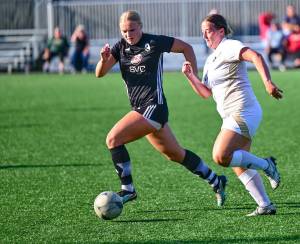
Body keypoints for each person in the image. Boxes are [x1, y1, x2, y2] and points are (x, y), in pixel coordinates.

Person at [95, 10, 227, 207]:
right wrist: (104, 59)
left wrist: (193, 74)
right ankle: (216, 180)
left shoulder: (154, 42)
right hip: (140, 109)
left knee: (113, 139)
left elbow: (186, 47)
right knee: (175, 154)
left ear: (140, 27)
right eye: (124, 31)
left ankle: (128, 190)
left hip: (153, 107)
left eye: (132, 29)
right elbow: (100, 73)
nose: (128, 34)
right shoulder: (120, 47)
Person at [182, 14, 283, 216]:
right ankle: (265, 205)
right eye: (202, 32)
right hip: (231, 115)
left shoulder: (229, 46)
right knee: (239, 163)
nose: (204, 36)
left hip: (244, 111)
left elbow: (256, 56)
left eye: (208, 31)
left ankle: (267, 164)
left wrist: (268, 83)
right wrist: (190, 76)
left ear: (221, 31)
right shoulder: (211, 60)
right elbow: (206, 93)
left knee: (220, 155)